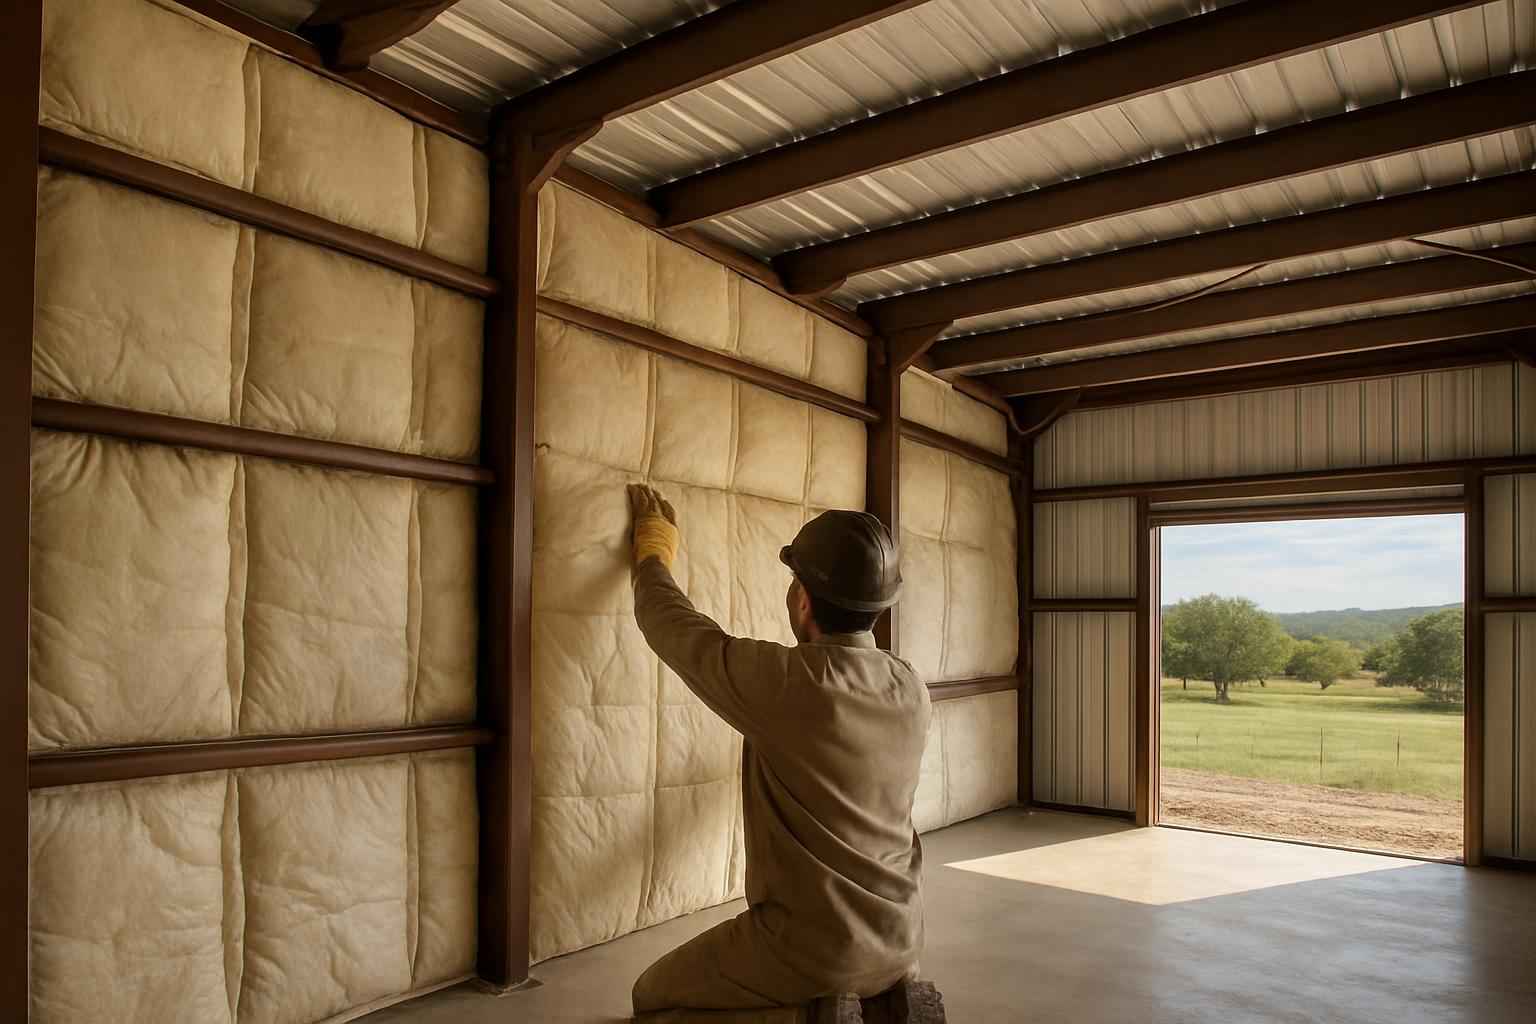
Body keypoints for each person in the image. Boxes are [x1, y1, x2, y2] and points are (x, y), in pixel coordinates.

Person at [625, 483, 931, 1014]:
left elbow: (671, 626)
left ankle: (808, 1014)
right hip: (902, 938)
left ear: (803, 599)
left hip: (811, 950)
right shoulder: (910, 686)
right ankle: (886, 1005)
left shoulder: (788, 683)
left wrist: (653, 550)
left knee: (652, 999)